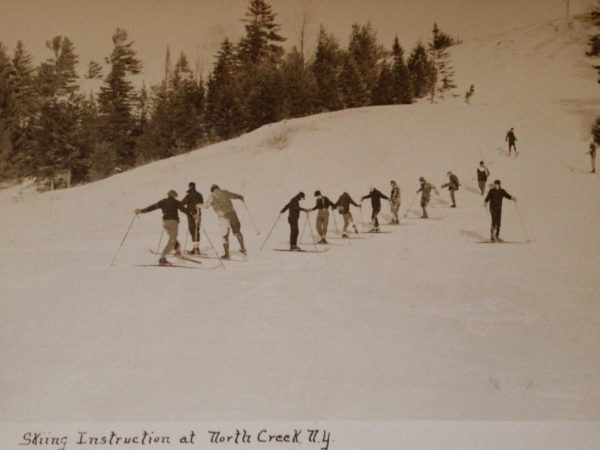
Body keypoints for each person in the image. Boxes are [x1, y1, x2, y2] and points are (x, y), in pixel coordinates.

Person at [135, 189, 187, 265]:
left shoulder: (162, 201)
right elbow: (184, 210)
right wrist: (193, 215)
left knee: (172, 237)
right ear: (174, 195)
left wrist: (141, 211)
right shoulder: (176, 202)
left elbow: (151, 207)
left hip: (165, 223)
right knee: (173, 239)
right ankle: (162, 258)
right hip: (173, 222)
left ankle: (177, 250)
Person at [200, 184, 246, 259]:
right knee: (237, 231)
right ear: (218, 188)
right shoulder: (224, 192)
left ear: (212, 189)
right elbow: (234, 195)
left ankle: (227, 255)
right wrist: (240, 197)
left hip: (223, 216)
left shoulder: (212, 195)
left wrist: (198, 205)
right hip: (233, 213)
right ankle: (243, 248)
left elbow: (206, 206)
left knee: (225, 235)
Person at [180, 182, 203, 254]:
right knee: (197, 230)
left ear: (190, 187)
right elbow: (201, 204)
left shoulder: (189, 195)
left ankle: (195, 249)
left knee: (192, 230)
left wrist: (187, 211)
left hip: (191, 215)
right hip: (198, 214)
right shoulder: (199, 195)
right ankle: (196, 248)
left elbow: (181, 204)